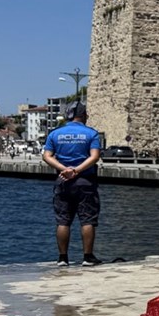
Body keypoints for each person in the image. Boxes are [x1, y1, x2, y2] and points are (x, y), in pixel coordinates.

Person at [43, 101, 103, 267]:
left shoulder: (55, 134)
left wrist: (65, 170)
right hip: (85, 181)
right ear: (84, 115)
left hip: (63, 180)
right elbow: (94, 156)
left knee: (63, 221)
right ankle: (88, 257)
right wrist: (76, 170)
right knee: (87, 220)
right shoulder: (91, 133)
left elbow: (47, 156)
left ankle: (63, 258)